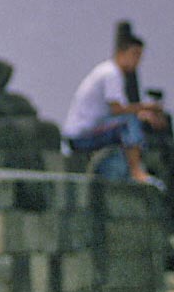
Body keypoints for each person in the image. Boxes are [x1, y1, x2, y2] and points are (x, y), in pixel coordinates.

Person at [61, 23, 167, 186]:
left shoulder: (110, 72)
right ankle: (136, 171)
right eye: (135, 54)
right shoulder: (111, 74)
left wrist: (145, 115)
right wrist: (148, 107)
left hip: (91, 132)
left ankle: (126, 172)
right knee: (129, 123)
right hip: (81, 136)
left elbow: (118, 110)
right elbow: (118, 110)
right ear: (121, 53)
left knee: (131, 124)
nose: (137, 61)